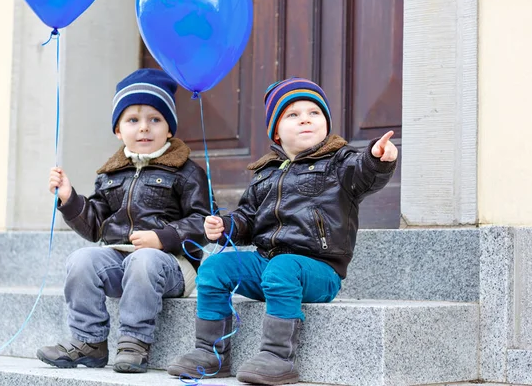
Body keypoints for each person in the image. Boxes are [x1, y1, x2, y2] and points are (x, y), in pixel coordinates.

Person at [167, 77, 398, 385]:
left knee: (282, 267)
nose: (305, 118)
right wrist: (225, 226)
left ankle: (278, 357)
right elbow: (248, 218)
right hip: (268, 265)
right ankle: (210, 353)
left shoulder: (340, 163)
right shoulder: (264, 173)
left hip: (319, 271)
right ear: (276, 130)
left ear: (326, 123)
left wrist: (377, 159)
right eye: (293, 114)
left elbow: (364, 173)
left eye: (314, 113)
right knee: (213, 268)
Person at [36, 68, 212, 373]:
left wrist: (163, 238)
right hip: (120, 260)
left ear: (169, 128)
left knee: (144, 260)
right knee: (82, 260)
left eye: (155, 120)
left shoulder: (185, 171)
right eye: (133, 120)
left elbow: (204, 221)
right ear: (118, 130)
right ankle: (89, 341)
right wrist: (69, 199)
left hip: (171, 264)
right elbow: (94, 226)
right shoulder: (111, 174)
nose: (144, 128)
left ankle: (134, 342)